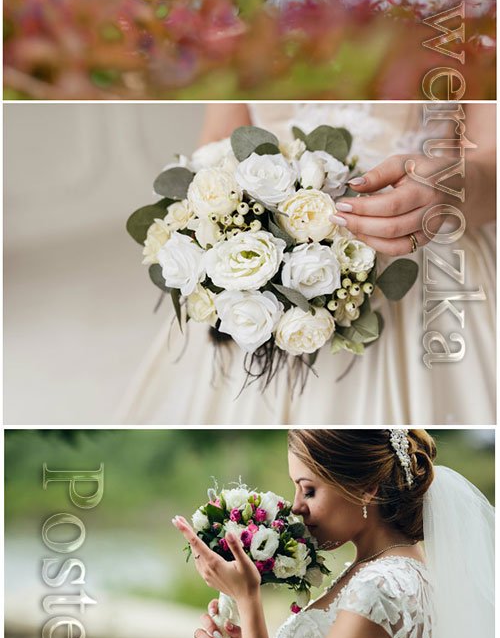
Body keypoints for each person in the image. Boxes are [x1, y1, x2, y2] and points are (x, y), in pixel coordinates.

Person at [121, 101, 496, 430]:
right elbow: (219, 142)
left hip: (422, 249)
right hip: (255, 255)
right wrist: (217, 233)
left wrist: (453, 184)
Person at [178, 428, 494, 638]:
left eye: (309, 490)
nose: (297, 506)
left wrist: (248, 598)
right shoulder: (386, 574)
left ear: (366, 489)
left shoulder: (383, 590)